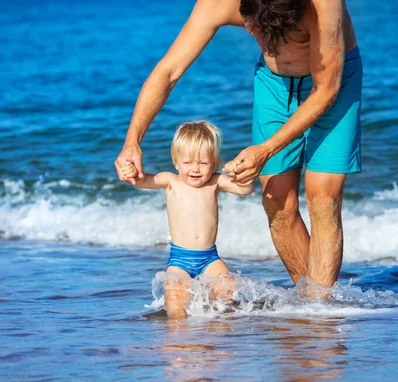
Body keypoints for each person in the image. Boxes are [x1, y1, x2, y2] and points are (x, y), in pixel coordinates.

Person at [115, 0, 362, 292]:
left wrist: (266, 149)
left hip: (333, 82)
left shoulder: (323, 5)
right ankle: (310, 300)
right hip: (275, 85)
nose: (254, 34)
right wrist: (133, 141)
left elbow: (326, 90)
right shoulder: (217, 3)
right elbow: (168, 71)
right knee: (276, 199)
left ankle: (319, 305)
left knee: (324, 195)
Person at [120, 121, 253, 318]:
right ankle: (179, 342)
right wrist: (131, 171)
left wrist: (240, 173)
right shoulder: (170, 181)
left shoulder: (215, 181)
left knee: (228, 295)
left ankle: (219, 338)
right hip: (179, 260)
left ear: (214, 163)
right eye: (188, 162)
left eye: (203, 163)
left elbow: (245, 189)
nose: (195, 169)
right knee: (176, 307)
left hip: (210, 259)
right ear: (176, 162)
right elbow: (141, 181)